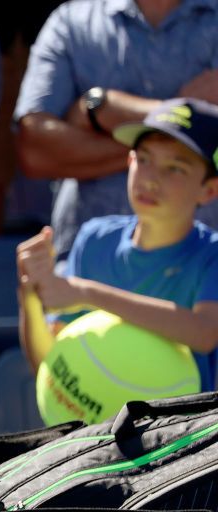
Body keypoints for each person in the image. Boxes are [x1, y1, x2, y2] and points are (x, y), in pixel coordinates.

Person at [18, 98, 218, 397]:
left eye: (175, 168)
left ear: (209, 190)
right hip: (93, 439)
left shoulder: (212, 256)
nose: (150, 180)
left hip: (179, 439)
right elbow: (51, 365)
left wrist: (87, 293)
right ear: (129, 161)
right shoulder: (93, 238)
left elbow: (204, 332)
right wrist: (30, 297)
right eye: (144, 159)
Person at [15, 0, 218, 262]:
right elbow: (36, 151)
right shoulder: (70, 22)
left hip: (202, 270)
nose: (149, 173)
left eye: (173, 165)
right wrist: (182, 126)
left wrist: (106, 111)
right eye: (142, 158)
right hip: (83, 270)